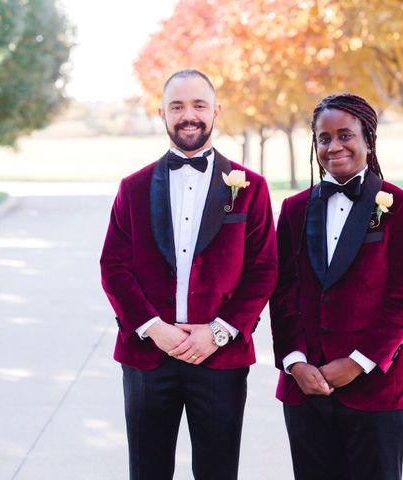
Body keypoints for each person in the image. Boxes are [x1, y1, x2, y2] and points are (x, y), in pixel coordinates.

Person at [100, 69, 278, 480]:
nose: (189, 115)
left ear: (216, 111)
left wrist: (217, 332)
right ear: (161, 113)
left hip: (220, 358)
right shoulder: (133, 188)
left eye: (199, 105)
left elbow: (264, 269)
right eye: (177, 106)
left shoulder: (250, 187)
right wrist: (153, 328)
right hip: (148, 358)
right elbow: (114, 266)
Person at [270, 93, 403, 480]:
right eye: (324, 139)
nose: (334, 146)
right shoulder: (294, 209)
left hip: (377, 391)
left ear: (368, 140)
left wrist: (358, 362)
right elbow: (282, 292)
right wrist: (294, 362)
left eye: (345, 135)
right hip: (305, 388)